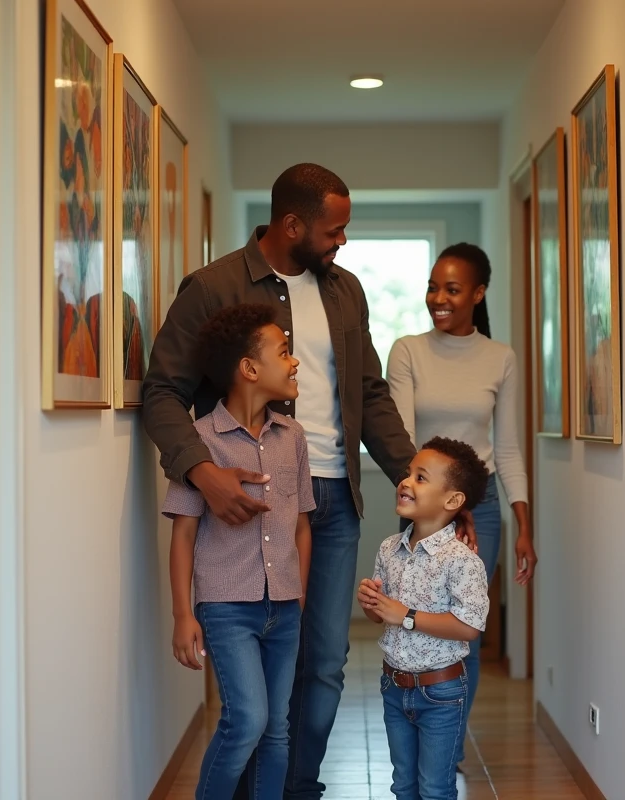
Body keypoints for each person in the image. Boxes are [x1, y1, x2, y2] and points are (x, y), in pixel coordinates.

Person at [143, 163, 474, 799]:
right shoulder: (213, 287)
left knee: (322, 664)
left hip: (333, 500)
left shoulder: (346, 291)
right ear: (292, 225)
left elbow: (370, 395)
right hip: (251, 503)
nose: (343, 241)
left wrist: (428, 491)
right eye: (334, 230)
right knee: (261, 683)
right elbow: (162, 392)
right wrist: (204, 473)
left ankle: (297, 789)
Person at [385, 242, 539, 770]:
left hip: (484, 507)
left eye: (452, 289)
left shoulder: (501, 358)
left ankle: (445, 751)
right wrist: (445, 504)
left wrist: (523, 524)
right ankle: (414, 740)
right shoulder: (408, 350)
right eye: (433, 288)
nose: (438, 299)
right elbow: (405, 442)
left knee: (462, 629)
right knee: (414, 624)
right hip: (426, 505)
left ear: (478, 293)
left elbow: (508, 448)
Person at [163, 304, 313, 799]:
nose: (294, 361)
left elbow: (302, 524)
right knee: (247, 720)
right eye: (284, 352)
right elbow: (183, 534)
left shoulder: (293, 438)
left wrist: (298, 594)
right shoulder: (201, 442)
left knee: (276, 730)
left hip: (284, 606)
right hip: (226, 608)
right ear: (249, 368)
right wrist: (183, 615)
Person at [358, 437, 491, 800]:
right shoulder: (389, 548)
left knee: (434, 789)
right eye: (408, 473)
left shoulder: (462, 560)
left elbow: (469, 626)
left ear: (452, 500)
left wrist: (407, 616)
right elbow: (380, 617)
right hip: (393, 686)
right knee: (403, 786)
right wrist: (372, 604)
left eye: (421, 477)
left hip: (441, 693)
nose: (405, 482)